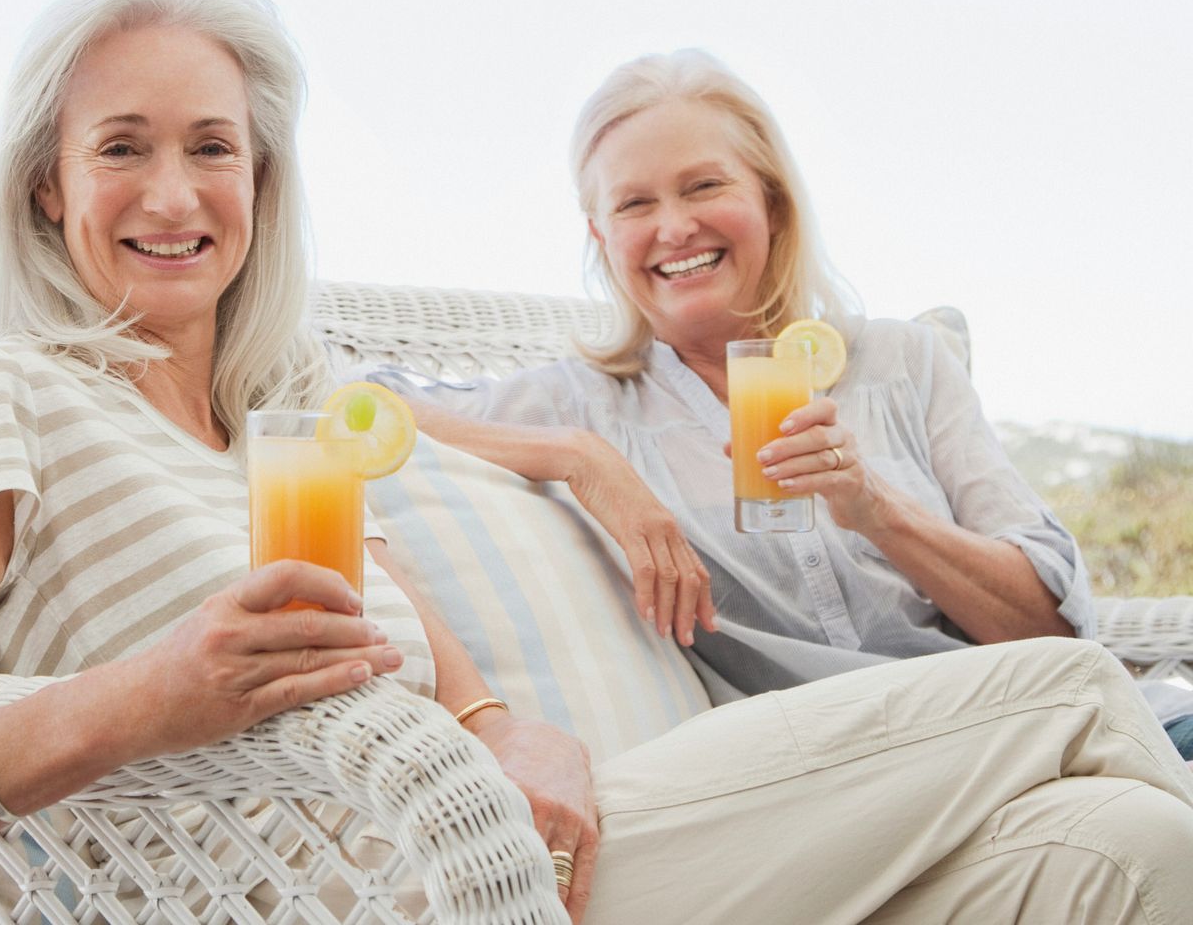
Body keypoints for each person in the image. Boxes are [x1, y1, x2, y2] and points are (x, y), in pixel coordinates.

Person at [0, 0, 1193, 922]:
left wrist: (506, 725)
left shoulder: (280, 429)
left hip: (524, 851)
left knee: (1134, 855)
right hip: (410, 889)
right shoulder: (11, 395)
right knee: (1066, 688)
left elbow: (456, 688)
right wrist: (147, 698)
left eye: (216, 147)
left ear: (263, 184)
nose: (175, 191)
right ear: (50, 191)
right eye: (122, 146)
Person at [369, 48, 1193, 757]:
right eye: (634, 204)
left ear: (770, 200)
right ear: (600, 237)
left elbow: (1051, 628)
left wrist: (875, 509)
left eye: (703, 185)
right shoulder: (580, 405)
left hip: (1095, 726)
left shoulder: (903, 362)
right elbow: (345, 400)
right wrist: (579, 459)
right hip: (912, 767)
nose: (675, 227)